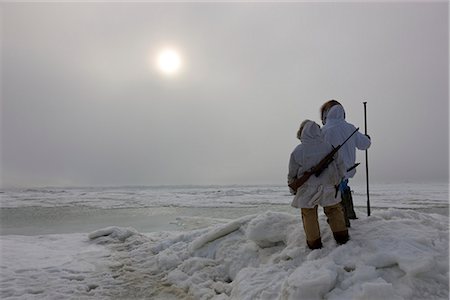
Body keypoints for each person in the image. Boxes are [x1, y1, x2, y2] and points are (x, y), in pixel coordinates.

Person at [288, 120, 349, 250]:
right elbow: (340, 165)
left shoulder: (298, 151)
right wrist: (341, 178)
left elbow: (292, 173)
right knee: (334, 211)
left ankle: (314, 244)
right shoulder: (329, 146)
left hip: (307, 189)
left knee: (309, 215)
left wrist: (292, 187)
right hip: (329, 186)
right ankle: (342, 237)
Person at [320, 100, 371, 227]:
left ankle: (341, 221)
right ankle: (349, 215)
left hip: (332, 170)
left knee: (335, 192)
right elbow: (365, 144)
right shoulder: (350, 128)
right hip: (348, 169)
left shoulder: (324, 130)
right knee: (343, 188)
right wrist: (367, 138)